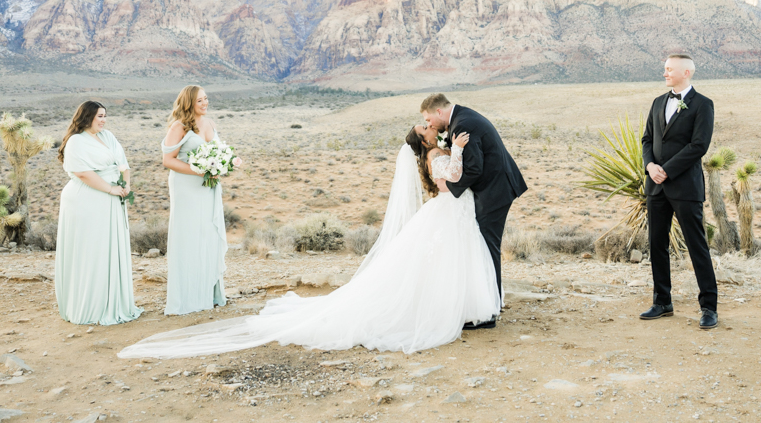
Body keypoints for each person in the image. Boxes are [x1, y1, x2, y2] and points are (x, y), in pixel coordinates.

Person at [117, 126, 497, 358]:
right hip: (449, 210)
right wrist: (458, 150)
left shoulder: (435, 148)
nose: (431, 127)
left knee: (443, 261)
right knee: (440, 260)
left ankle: (456, 307)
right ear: (424, 139)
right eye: (426, 127)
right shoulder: (434, 154)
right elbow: (452, 178)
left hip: (453, 214)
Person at [421, 93, 527, 328]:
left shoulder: (464, 124)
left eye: (429, 120)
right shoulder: (461, 119)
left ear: (438, 112)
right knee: (486, 246)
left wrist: (448, 186)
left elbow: (474, 170)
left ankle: (487, 314)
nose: (430, 125)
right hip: (493, 189)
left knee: (487, 247)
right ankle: (490, 304)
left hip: (494, 192)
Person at [639, 54, 719, 330]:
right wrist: (650, 165)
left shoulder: (703, 105)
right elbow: (647, 139)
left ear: (686, 72)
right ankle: (662, 302)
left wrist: (667, 170)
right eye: (664, 69)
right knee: (656, 245)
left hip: (685, 188)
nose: (665, 74)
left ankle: (709, 307)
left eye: (669, 69)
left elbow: (699, 146)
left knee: (697, 246)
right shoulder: (658, 102)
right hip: (656, 187)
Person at [54, 101, 142, 326]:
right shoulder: (76, 141)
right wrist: (111, 189)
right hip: (87, 200)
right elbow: (82, 173)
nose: (103, 120)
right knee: (91, 250)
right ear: (87, 117)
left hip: (111, 199)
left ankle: (111, 302)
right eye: (99, 116)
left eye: (105, 115)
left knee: (108, 249)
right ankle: (90, 307)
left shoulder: (108, 137)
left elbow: (123, 164)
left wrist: (126, 185)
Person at [161, 85, 227, 315]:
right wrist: (199, 170)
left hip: (207, 187)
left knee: (207, 232)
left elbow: (217, 152)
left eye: (206, 99)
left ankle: (209, 292)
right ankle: (188, 296)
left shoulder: (209, 123)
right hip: (186, 186)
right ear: (189, 102)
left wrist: (221, 165)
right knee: (189, 234)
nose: (205, 103)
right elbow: (168, 160)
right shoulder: (179, 126)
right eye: (200, 100)